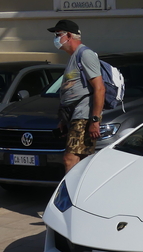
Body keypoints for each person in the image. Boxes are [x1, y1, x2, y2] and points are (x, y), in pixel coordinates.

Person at [48, 19, 105, 173]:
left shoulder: (85, 54)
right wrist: (64, 120)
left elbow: (99, 88)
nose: (56, 38)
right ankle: (80, 193)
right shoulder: (73, 57)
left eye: (58, 34)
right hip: (74, 116)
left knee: (70, 159)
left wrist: (95, 120)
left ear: (68, 36)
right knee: (82, 161)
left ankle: (69, 195)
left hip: (84, 116)